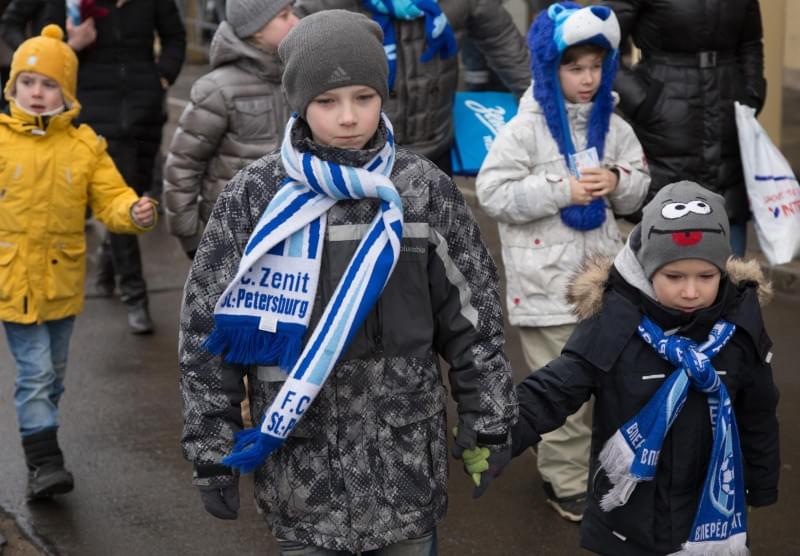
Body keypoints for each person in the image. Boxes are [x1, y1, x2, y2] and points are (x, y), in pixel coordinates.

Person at [179, 10, 516, 555]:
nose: (348, 117)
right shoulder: (254, 196)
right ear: (299, 104)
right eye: (327, 102)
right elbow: (205, 331)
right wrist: (211, 450)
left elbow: (474, 314)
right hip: (303, 470)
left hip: (404, 463)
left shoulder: (420, 188)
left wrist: (490, 419)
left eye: (363, 96)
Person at [489, 181, 780, 555]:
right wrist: (497, 431)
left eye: (706, 277)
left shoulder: (740, 327)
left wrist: (761, 481)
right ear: (647, 267)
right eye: (674, 277)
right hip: (626, 521)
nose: (691, 291)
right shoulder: (616, 320)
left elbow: (757, 412)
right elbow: (555, 388)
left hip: (708, 517)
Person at [475, 2, 649, 522]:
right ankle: (565, 479)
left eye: (597, 66)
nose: (588, 78)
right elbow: (493, 191)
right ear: (550, 68)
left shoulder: (614, 127)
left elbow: (639, 187)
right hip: (546, 288)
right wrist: (561, 188)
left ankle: (598, 465)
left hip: (605, 285)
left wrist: (618, 181)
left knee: (611, 382)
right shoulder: (524, 129)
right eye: (575, 67)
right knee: (561, 391)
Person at [0, 25, 156, 500]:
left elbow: (110, 197)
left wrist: (133, 212)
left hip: (62, 283)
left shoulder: (85, 146)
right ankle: (46, 464)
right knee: (36, 373)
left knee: (54, 376)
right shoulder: (2, 143)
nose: (38, 93)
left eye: (49, 85)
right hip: (12, 281)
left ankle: (41, 444)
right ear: (12, 88)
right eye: (28, 83)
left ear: (67, 92)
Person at [0, 0, 186, 334]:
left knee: (129, 195)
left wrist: (162, 77)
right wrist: (59, 51)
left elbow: (175, 37)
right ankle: (135, 294)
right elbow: (11, 24)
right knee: (119, 189)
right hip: (90, 107)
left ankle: (107, 258)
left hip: (143, 110)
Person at [602, 0, 766, 257]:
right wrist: (643, 102)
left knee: (730, 255)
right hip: (666, 122)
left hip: (727, 117)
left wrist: (753, 95)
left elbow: (750, 43)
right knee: (666, 243)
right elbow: (603, 40)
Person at [294, 0, 531, 174]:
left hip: (435, 146)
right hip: (349, 153)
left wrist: (547, 109)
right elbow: (286, 68)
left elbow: (506, 48)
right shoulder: (324, 5)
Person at [164, 0, 298, 260]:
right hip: (231, 235)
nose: (295, 20)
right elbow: (183, 165)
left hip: (290, 230)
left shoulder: (297, 79)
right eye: (284, 15)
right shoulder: (217, 89)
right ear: (257, 28)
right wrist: (190, 236)